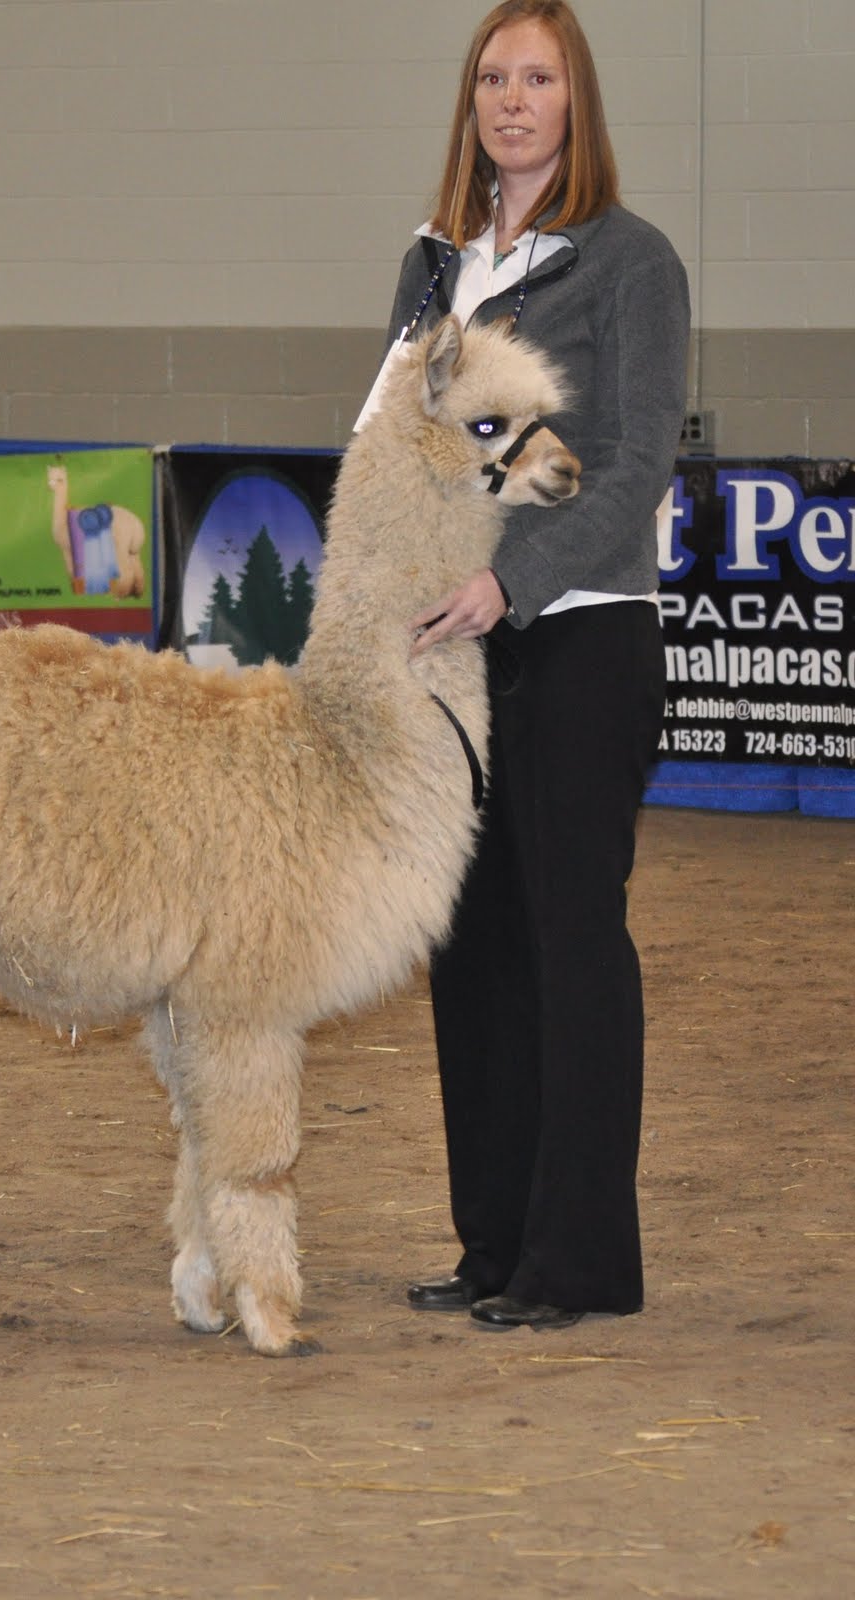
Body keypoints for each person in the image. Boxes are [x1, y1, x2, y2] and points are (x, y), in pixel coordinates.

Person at [383, 0, 690, 1329]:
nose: (512, 99)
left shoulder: (632, 263)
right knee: (474, 949)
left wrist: (514, 578)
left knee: (570, 945)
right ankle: (494, 1246)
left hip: (574, 637)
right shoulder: (435, 267)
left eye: (539, 77)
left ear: (579, 102)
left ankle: (579, 1262)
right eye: (492, 77)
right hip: (452, 655)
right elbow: (395, 444)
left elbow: (630, 470)